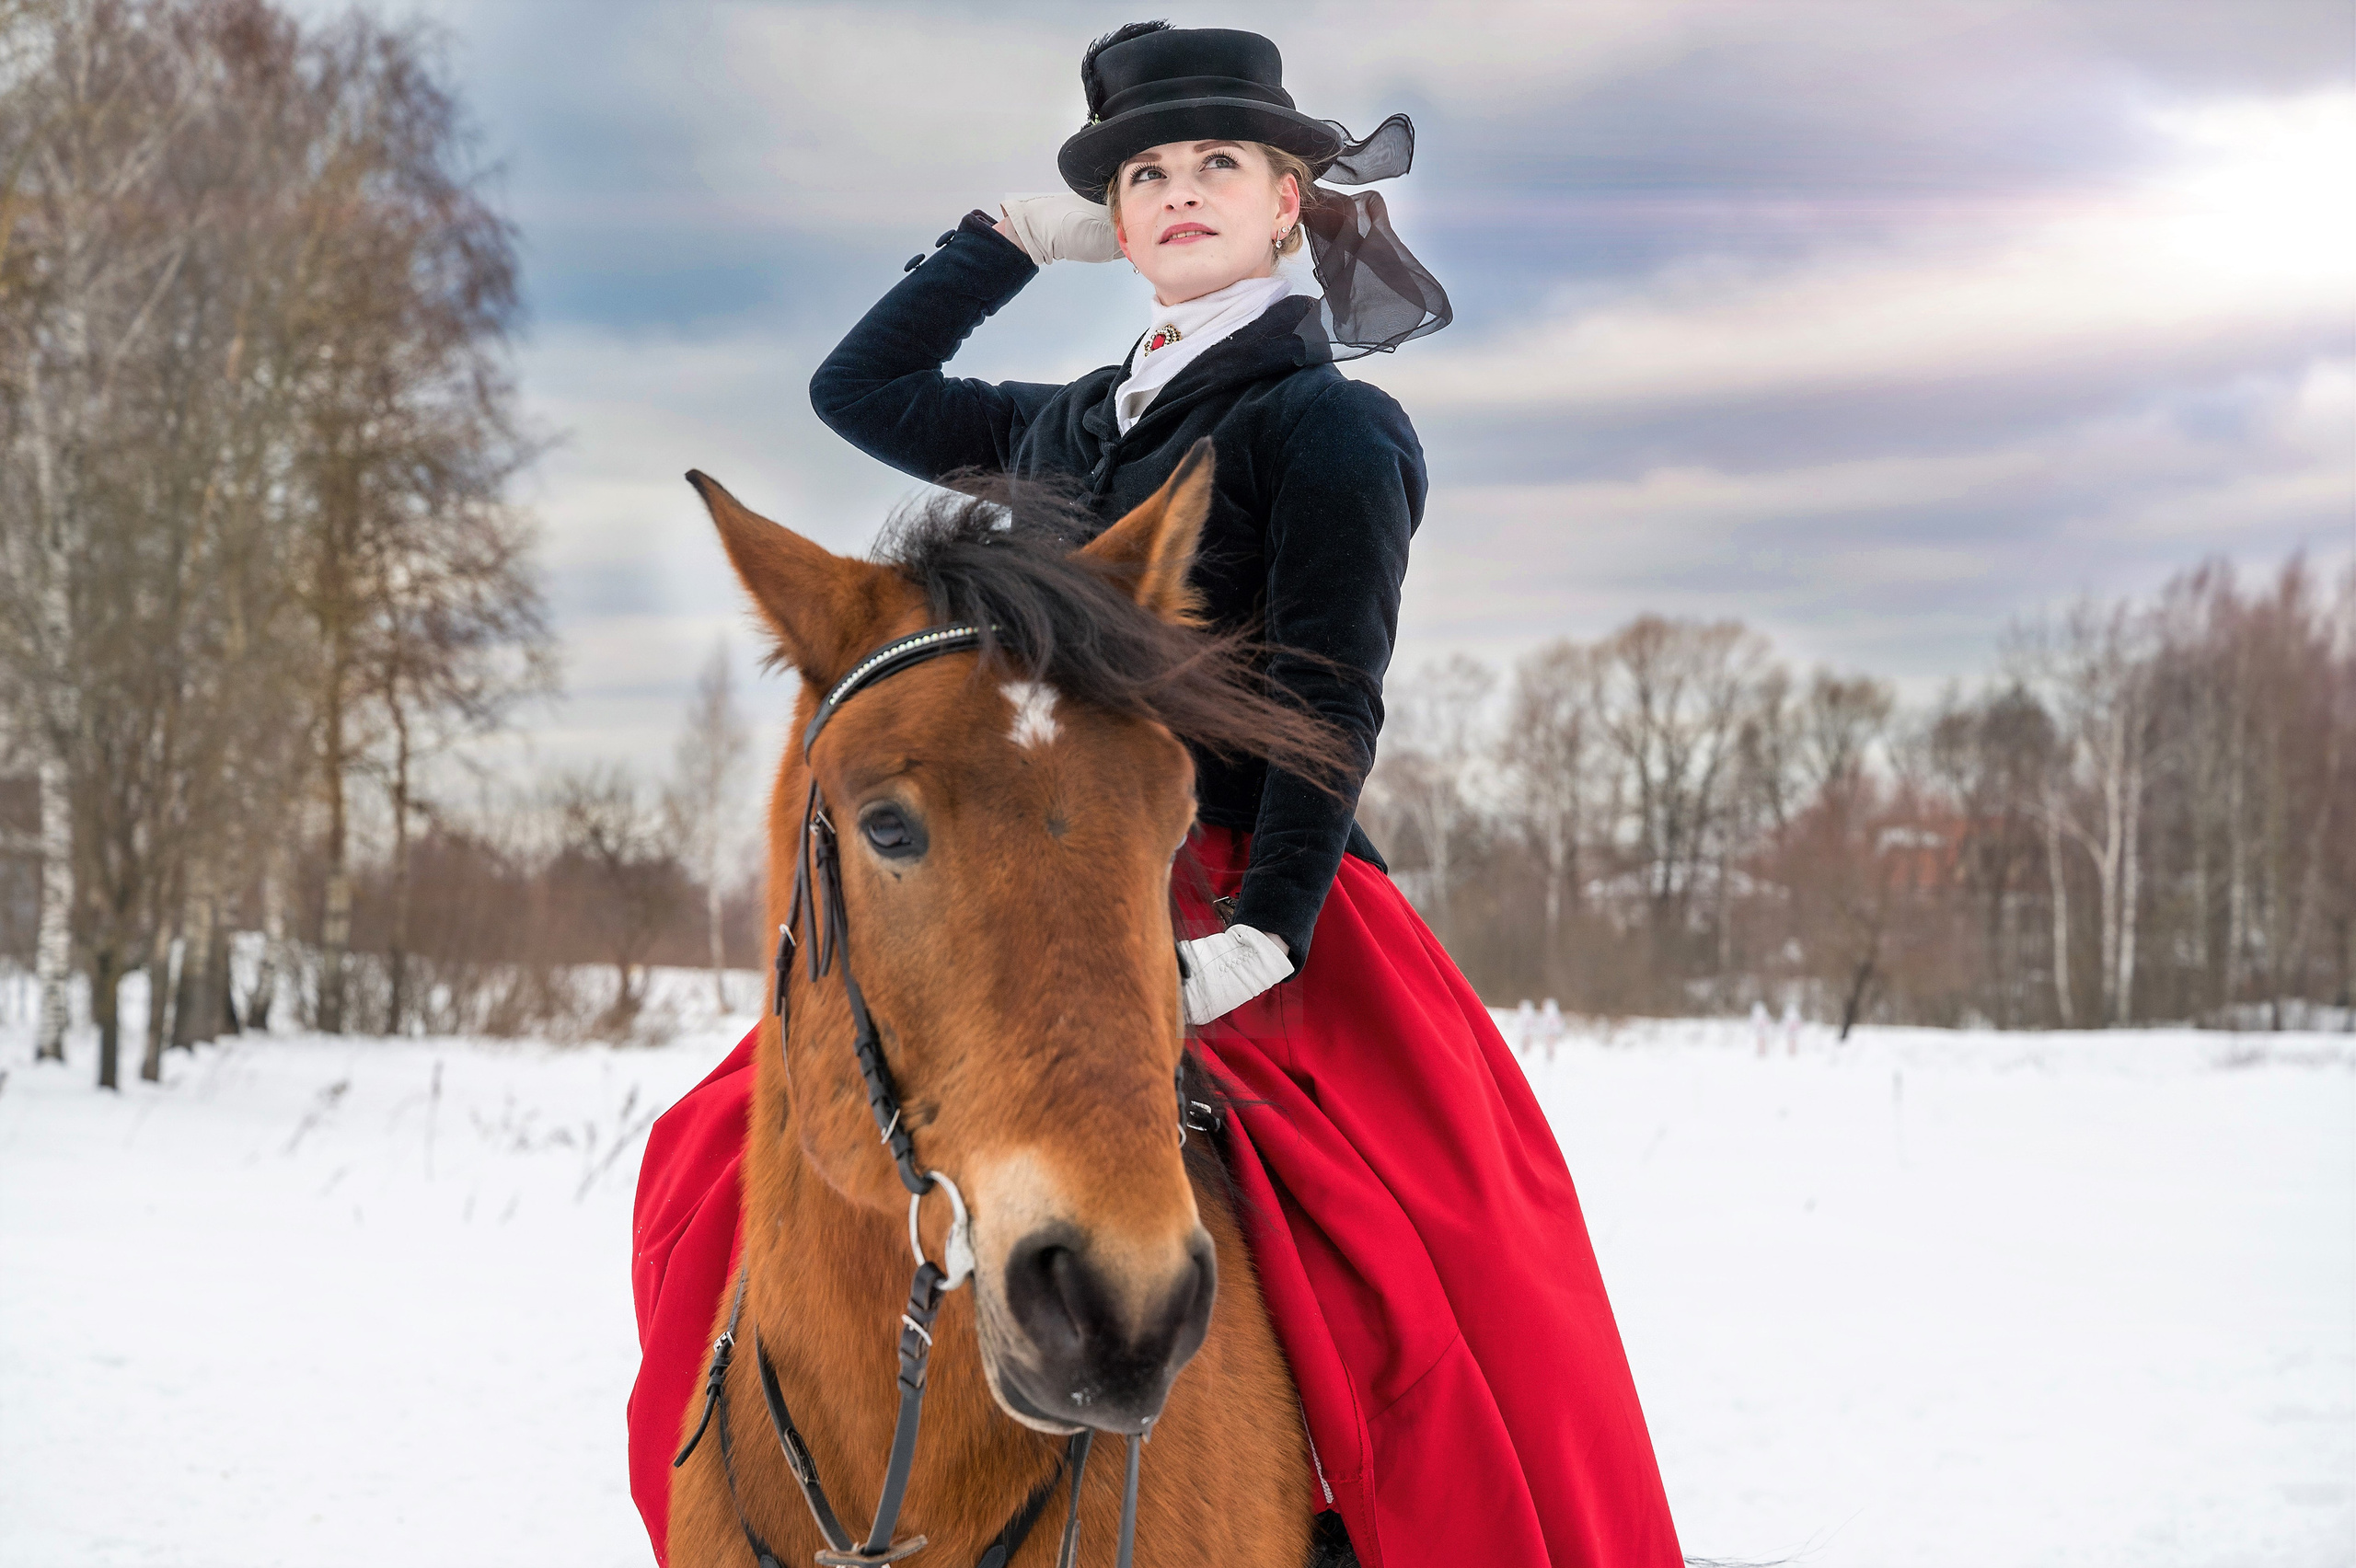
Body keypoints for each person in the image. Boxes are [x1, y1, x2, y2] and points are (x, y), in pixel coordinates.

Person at [629, 23, 1680, 1567]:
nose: (1182, 194)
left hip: (1256, 886)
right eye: (1145, 177)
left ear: (1288, 205)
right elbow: (860, 387)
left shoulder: (1327, 427)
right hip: (1025, 872)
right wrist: (1004, 241)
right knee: (715, 1146)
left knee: (1429, 1261)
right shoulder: (1070, 419)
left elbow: (1332, 706)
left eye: (1220, 168)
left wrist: (1264, 934)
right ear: (1113, 224)